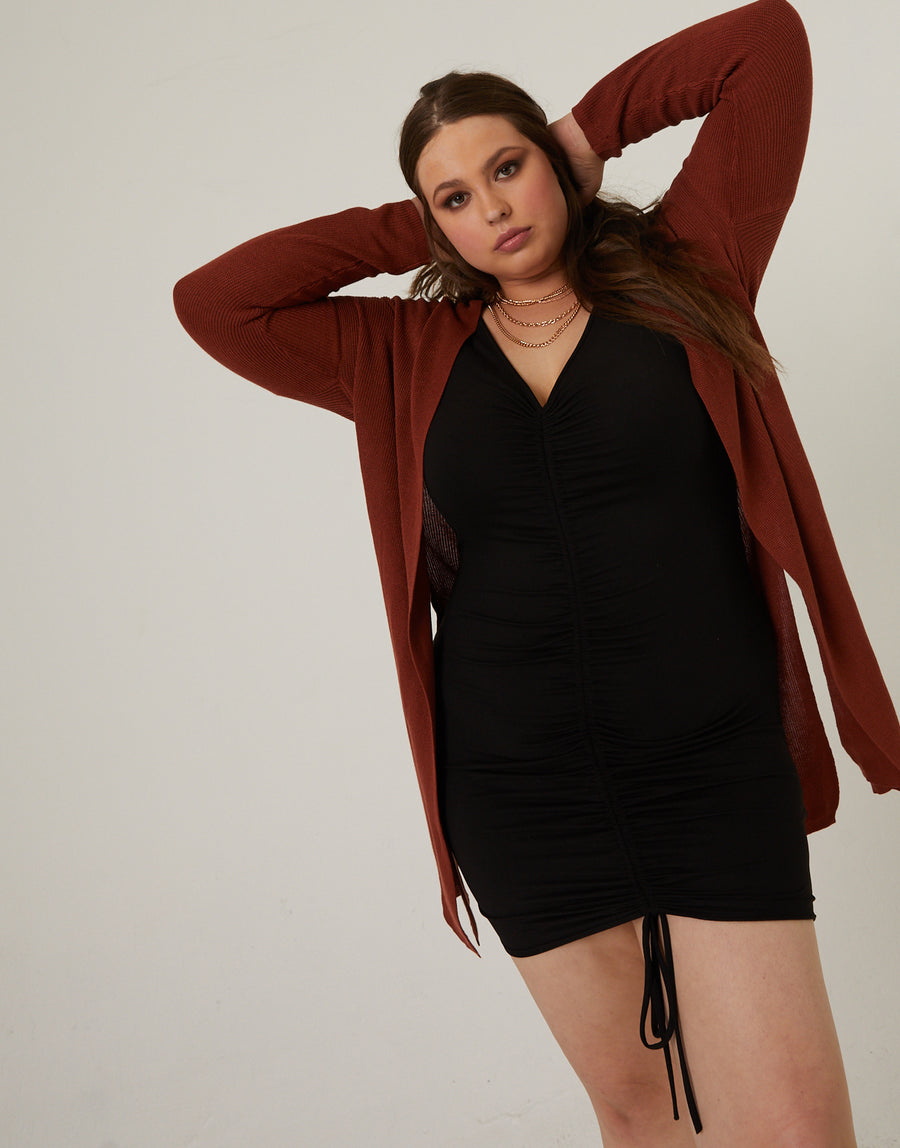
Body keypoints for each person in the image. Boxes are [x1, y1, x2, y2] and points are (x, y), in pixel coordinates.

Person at [173, 0, 900, 1143]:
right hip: (519, 788)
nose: (494, 208)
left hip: (711, 763)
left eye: (506, 169)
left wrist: (583, 132)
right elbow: (216, 301)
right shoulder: (400, 352)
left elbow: (766, 44)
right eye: (455, 197)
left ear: (551, 164)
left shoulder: (692, 266)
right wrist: (415, 229)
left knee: (798, 1128)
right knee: (643, 1118)